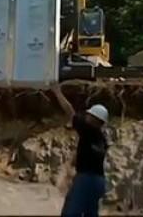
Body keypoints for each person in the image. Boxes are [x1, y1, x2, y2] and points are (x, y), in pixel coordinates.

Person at [52, 85, 108, 217]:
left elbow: (69, 111)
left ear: (94, 119)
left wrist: (57, 92)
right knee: (90, 213)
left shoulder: (88, 130)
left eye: (89, 115)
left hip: (85, 179)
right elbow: (88, 154)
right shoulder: (102, 139)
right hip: (99, 181)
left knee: (71, 212)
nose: (86, 117)